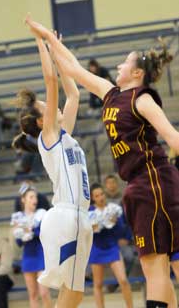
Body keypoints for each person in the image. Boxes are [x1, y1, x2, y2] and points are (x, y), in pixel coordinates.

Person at [31, 22, 179, 308]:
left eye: (125, 62)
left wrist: (48, 40)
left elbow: (172, 136)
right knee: (162, 264)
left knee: (156, 265)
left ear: (137, 73)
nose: (118, 65)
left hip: (154, 181)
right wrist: (50, 41)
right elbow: (73, 69)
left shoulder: (143, 98)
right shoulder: (111, 93)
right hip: (139, 185)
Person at [12, 18, 93, 308]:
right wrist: (41, 40)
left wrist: (56, 48)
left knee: (75, 293)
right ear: (39, 120)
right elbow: (51, 82)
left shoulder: (64, 136)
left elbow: (74, 93)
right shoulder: (49, 135)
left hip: (79, 217)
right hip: (65, 217)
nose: (53, 104)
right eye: (46, 106)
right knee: (69, 293)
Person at [89, 183, 133, 308]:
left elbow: (121, 230)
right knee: (97, 284)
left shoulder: (113, 208)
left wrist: (116, 222)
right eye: (97, 196)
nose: (101, 197)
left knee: (123, 280)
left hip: (112, 247)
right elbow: (88, 232)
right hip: (97, 248)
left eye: (102, 194)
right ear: (93, 198)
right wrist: (93, 228)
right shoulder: (89, 212)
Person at [11, 184, 52, 308]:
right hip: (28, 257)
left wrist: (31, 231)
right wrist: (21, 234)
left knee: (44, 293)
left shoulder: (41, 214)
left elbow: (43, 234)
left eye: (35, 197)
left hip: (41, 255)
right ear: (23, 200)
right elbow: (19, 243)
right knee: (33, 294)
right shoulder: (18, 217)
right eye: (31, 197)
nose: (35, 200)